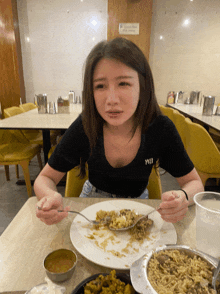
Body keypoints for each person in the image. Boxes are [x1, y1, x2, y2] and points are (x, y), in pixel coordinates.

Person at [34, 37, 204, 226]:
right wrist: (50, 196)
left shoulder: (160, 128)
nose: (111, 99)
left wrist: (183, 197)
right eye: (100, 86)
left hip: (139, 204)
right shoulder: (85, 125)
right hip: (92, 202)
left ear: (143, 85)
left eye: (123, 83)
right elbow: (45, 178)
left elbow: (195, 183)